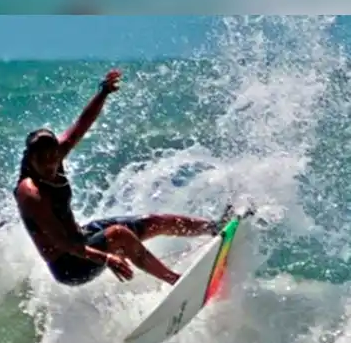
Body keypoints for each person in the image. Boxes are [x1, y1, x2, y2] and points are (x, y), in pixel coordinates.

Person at [14, 68, 231, 287]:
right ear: (30, 159)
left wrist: (103, 92)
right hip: (70, 264)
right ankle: (177, 283)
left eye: (54, 157)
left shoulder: (56, 154)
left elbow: (82, 123)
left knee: (154, 221)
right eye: (42, 160)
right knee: (119, 234)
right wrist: (106, 258)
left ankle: (214, 227)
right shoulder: (30, 193)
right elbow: (61, 243)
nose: (50, 164)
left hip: (82, 238)